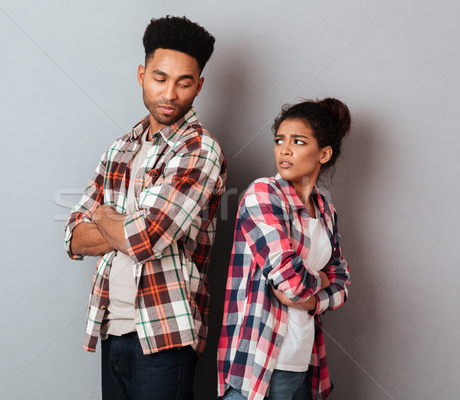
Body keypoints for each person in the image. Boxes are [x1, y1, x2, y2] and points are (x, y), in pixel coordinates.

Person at [64, 15, 226, 400]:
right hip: (111, 327)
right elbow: (72, 237)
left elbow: (147, 238)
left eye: (184, 83)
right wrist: (119, 226)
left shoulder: (199, 149)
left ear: (199, 86)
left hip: (165, 334)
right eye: (160, 78)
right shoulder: (119, 149)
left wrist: (103, 215)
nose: (170, 93)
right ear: (142, 75)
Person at [217, 98, 351, 400]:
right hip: (260, 365)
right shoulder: (262, 194)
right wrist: (323, 281)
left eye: (298, 141)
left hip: (304, 363)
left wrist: (312, 303)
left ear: (324, 153)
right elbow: (292, 285)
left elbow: (344, 283)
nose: (285, 150)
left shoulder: (326, 210)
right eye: (280, 140)